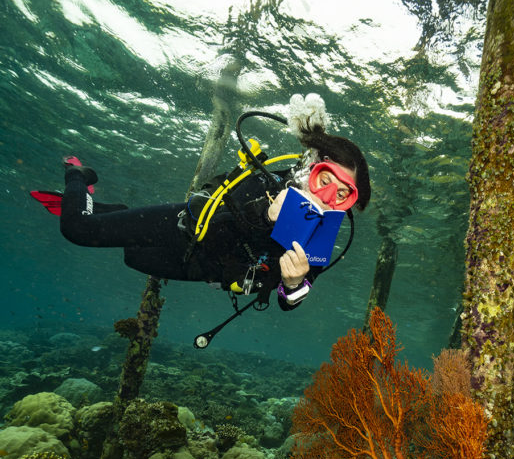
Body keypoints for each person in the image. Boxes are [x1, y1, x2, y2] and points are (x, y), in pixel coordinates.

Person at [35, 95, 371, 313]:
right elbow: (216, 224)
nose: (328, 197)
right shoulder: (269, 184)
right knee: (79, 229)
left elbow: (289, 303)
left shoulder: (320, 238)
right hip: (184, 228)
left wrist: (294, 283)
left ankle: (119, 213)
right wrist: (264, 214)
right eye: (325, 181)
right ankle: (78, 175)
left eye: (344, 194)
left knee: (132, 256)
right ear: (311, 169)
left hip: (204, 270)